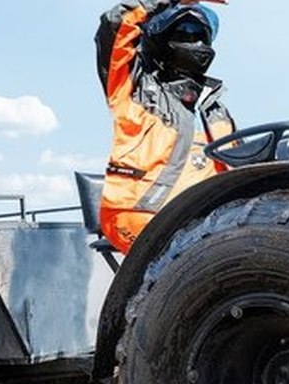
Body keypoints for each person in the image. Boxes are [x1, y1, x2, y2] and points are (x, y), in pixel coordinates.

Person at [95, 0, 235, 254]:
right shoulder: (137, 89)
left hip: (207, 222)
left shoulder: (215, 110)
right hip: (142, 213)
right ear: (161, 41)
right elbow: (114, 25)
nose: (196, 43)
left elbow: (241, 166)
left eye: (200, 35)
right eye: (184, 34)